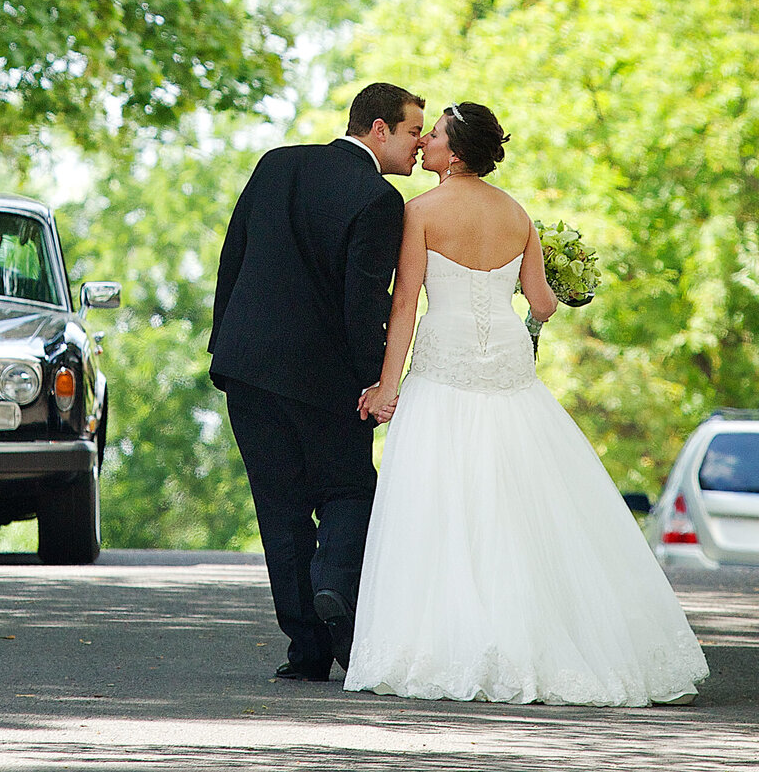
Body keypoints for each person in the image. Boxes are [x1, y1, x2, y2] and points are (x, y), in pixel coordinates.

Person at [345, 102, 708, 707]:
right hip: (509, 364)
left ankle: (452, 642)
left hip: (446, 362)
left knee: (443, 499)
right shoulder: (517, 213)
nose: (426, 142)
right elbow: (542, 304)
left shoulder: (421, 212)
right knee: (520, 493)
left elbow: (404, 304)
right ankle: (554, 638)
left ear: (454, 154)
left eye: (433, 135)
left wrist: (388, 386)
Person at [209, 81, 424, 681]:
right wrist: (375, 382)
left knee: (278, 506)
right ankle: (333, 583)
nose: (417, 146)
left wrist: (222, 348)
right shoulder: (379, 199)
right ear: (377, 129)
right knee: (350, 491)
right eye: (412, 132)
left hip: (247, 367)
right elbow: (364, 304)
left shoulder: (277, 164)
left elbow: (234, 256)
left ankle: (305, 652)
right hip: (326, 379)